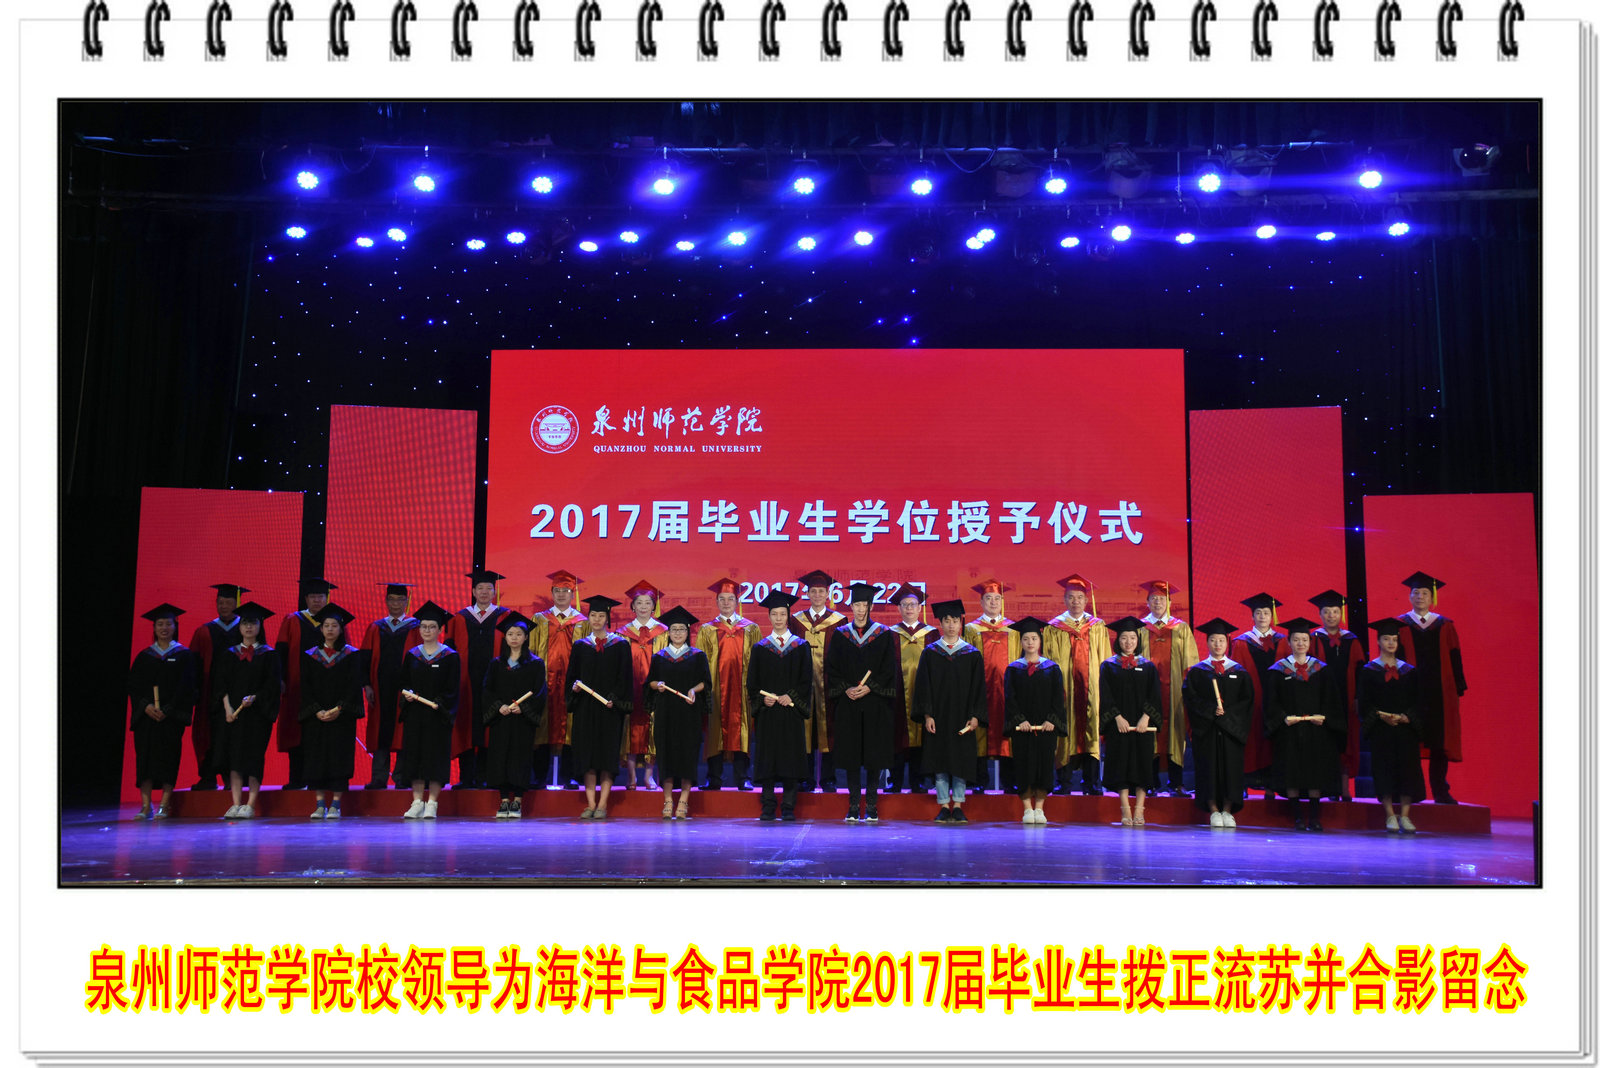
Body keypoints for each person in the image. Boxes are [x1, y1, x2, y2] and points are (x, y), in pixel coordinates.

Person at [826, 582, 899, 822]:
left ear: (870, 606)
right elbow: (832, 668)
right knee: (852, 755)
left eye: (863, 605)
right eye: (856, 604)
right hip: (849, 703)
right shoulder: (841, 635)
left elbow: (889, 669)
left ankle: (872, 805)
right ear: (851, 606)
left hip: (875, 703)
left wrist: (870, 687)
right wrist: (846, 689)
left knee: (873, 755)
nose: (859, 609)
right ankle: (854, 804)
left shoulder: (883, 634)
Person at [1394, 571, 1468, 804]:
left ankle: (1440, 791)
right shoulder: (1400, 625)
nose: (1420, 597)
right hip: (1411, 691)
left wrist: (1458, 684)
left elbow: (1455, 656)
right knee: (1410, 741)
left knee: (1439, 742)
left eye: (1425, 593)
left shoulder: (1445, 625)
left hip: (1439, 693)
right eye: (1416, 593)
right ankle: (1412, 791)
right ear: (1409, 597)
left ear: (1432, 597)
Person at [1265, 617, 1344, 831]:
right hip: (1289, 731)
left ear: (1310, 643)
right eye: (1296, 640)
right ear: (1289, 642)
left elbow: (1331, 700)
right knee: (1292, 773)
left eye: (1304, 640)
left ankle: (1315, 818)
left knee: (1314, 773)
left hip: (1316, 731)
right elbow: (1272, 702)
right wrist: (1282, 718)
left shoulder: (1321, 670)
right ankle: (1298, 818)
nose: (1300, 643)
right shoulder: (1278, 670)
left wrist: (1324, 717)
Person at [914, 599, 984, 823]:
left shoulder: (972, 654)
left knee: (961, 760)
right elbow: (924, 687)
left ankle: (959, 804)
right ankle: (944, 804)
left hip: (963, 717)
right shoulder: (931, 653)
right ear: (941, 624)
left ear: (961, 623)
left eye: (955, 620)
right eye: (947, 621)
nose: (951, 625)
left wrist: (975, 716)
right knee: (940, 760)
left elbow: (978, 688)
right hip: (939, 716)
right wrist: (927, 715)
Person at [210, 601, 280, 820]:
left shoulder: (269, 655)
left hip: (257, 716)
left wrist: (256, 698)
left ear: (260, 626)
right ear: (239, 627)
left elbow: (272, 686)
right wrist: (227, 709)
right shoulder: (229, 654)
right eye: (245, 623)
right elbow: (220, 684)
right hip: (234, 716)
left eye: (253, 623)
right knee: (234, 759)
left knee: (253, 758)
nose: (249, 627)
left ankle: (250, 804)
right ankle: (235, 803)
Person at [746, 591, 813, 821]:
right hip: (768, 713)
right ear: (769, 616)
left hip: (791, 711)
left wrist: (789, 695)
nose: (778, 618)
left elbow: (806, 680)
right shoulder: (760, 648)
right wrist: (762, 700)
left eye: (782, 614)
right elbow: (752, 683)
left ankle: (788, 807)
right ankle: (767, 806)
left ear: (788, 616)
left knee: (790, 759)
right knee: (768, 759)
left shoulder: (801, 646)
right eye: (774, 614)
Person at [127, 603, 197, 819]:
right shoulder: (144, 656)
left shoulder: (184, 655)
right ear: (154, 627)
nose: (164, 628)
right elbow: (134, 687)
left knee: (168, 758)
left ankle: (164, 805)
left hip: (171, 718)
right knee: (145, 759)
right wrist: (146, 706)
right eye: (160, 624)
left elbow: (187, 687)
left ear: (175, 626)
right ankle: (146, 805)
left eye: (168, 624)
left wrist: (169, 709)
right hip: (147, 718)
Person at [1042, 574, 1110, 795]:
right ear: (1064, 599)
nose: (1075, 601)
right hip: (1065, 689)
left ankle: (1092, 782)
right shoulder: (1054, 627)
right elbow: (1048, 661)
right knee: (1065, 730)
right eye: (1071, 597)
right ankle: (1064, 782)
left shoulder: (1097, 626)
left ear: (1086, 600)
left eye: (1080, 597)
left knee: (1092, 730)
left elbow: (1106, 659)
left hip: (1093, 690)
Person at [1183, 618, 1254, 828]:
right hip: (1208, 731)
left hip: (1231, 731)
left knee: (1231, 770)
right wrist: (1211, 711)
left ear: (1227, 643)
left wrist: (1228, 715)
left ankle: (1228, 811)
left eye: (1221, 640)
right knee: (1209, 769)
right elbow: (1191, 699)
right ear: (1207, 642)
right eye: (1213, 640)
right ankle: (1213, 810)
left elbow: (1247, 701)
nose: (1217, 644)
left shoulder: (1238, 672)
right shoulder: (1198, 672)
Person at [566, 594, 633, 819]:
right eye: (593, 615)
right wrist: (574, 689)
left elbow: (624, 678)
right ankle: (590, 803)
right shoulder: (580, 646)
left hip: (609, 709)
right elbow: (572, 677)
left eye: (601, 615)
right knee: (588, 756)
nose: (596, 619)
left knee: (606, 756)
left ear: (607, 618)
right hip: (585, 709)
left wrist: (615, 699)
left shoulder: (620, 645)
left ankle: (603, 804)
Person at [1358, 619, 1426, 832]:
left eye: (1394, 639)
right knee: (1384, 770)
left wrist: (1407, 717)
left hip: (1405, 729)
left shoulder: (1409, 671)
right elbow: (1364, 702)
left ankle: (1405, 815)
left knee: (1408, 770)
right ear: (1378, 641)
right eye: (1386, 639)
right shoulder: (1369, 670)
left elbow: (1418, 700)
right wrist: (1380, 716)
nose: (1390, 643)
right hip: (1382, 729)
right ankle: (1389, 815)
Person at [647, 606, 713, 819]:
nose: (677, 633)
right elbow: (650, 682)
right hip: (665, 713)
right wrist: (657, 685)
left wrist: (693, 690)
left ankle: (683, 800)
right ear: (668, 632)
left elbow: (706, 682)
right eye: (674, 629)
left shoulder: (697, 656)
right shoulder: (659, 657)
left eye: (682, 629)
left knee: (687, 756)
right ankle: (667, 800)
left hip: (688, 713)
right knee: (666, 755)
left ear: (688, 632)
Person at [446, 569, 510, 789]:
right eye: (480, 588)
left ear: (494, 592)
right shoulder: (460, 618)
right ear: (473, 591)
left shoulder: (504, 616)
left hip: (495, 681)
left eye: (488, 588)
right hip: (465, 681)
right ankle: (466, 777)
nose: (484, 592)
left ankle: (485, 776)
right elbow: (450, 650)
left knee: (490, 724)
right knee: (466, 724)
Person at [299, 602, 363, 819]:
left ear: (341, 629)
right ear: (320, 628)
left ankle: (336, 804)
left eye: (334, 625)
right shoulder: (310, 655)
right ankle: (319, 804)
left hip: (341, 718)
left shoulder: (351, 655)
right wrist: (316, 710)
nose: (329, 629)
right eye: (326, 625)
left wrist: (339, 709)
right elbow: (305, 686)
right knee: (316, 758)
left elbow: (353, 686)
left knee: (339, 757)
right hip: (316, 718)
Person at [273, 577, 338, 791]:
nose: (317, 600)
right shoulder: (293, 620)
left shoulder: (334, 623)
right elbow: (281, 652)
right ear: (306, 598)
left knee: (321, 734)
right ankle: (296, 778)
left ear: (326, 598)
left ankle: (318, 779)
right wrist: (281, 679)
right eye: (312, 596)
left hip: (326, 689)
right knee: (297, 732)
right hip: (296, 687)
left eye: (320, 596)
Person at [397, 601, 461, 820]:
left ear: (440, 629)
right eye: (423, 626)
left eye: (432, 627)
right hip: (415, 714)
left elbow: (453, 688)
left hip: (437, 716)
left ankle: (432, 803)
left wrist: (440, 703)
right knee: (414, 757)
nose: (427, 630)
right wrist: (406, 693)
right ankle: (417, 802)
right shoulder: (412, 655)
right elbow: (404, 682)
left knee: (435, 758)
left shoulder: (450, 656)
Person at [696, 579, 761, 791]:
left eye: (730, 599)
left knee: (742, 730)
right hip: (715, 690)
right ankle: (714, 777)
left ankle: (743, 777)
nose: (726, 603)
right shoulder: (707, 630)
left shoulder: (751, 628)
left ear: (737, 601)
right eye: (722, 599)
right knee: (715, 731)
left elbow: (758, 661)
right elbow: (700, 663)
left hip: (743, 689)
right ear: (716, 602)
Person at [482, 611, 547, 819]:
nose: (514, 638)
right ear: (505, 637)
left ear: (526, 637)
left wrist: (524, 708)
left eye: (519, 634)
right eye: (510, 634)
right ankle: (503, 800)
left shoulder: (535, 664)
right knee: (500, 756)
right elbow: (487, 690)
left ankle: (517, 800)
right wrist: (498, 706)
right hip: (502, 718)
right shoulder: (496, 664)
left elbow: (540, 692)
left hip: (522, 720)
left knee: (520, 757)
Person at [186, 582, 251, 789]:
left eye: (228, 602)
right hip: (210, 695)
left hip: (238, 693)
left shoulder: (246, 630)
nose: (223, 606)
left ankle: (234, 779)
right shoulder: (205, 631)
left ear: (237, 603)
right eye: (220, 602)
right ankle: (208, 777)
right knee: (209, 735)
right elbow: (193, 665)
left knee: (236, 736)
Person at [530, 570, 589, 790]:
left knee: (571, 726)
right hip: (545, 682)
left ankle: (569, 776)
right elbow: (531, 650)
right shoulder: (539, 619)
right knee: (542, 725)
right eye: (557, 590)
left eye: (566, 590)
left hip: (572, 684)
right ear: (551, 592)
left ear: (573, 594)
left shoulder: (583, 622)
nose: (561, 594)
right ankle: (539, 777)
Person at [1100, 616, 1162, 827]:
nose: (1128, 642)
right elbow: (1106, 695)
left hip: (1142, 726)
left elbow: (1154, 695)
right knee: (1121, 765)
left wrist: (1146, 717)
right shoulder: (1109, 666)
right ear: (1118, 640)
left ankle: (1140, 809)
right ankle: (1125, 808)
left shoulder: (1148, 666)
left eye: (1132, 638)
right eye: (1124, 638)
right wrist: (1117, 718)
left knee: (1142, 765)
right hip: (1120, 726)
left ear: (1138, 640)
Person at [1004, 617, 1065, 825]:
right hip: (1023, 729)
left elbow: (1058, 698)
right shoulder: (1014, 669)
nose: (1030, 642)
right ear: (1021, 642)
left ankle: (1039, 807)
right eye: (1026, 639)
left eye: (1034, 638)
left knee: (1044, 765)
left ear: (1040, 641)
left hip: (1046, 728)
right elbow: (1010, 698)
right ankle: (1027, 808)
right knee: (1024, 765)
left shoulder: (1052, 668)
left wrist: (1052, 720)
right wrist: (1019, 720)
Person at [358, 583, 421, 789]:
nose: (395, 604)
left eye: (400, 600)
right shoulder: (376, 627)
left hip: (407, 688)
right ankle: (379, 777)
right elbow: (365, 658)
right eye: (391, 599)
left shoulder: (415, 627)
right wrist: (366, 685)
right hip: (380, 687)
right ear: (386, 601)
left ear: (406, 602)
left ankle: (402, 776)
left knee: (404, 731)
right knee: (380, 731)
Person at [1137, 580, 1196, 798]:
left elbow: (1190, 662)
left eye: (1162, 599)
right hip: (1147, 692)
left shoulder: (1181, 628)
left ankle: (1176, 783)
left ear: (1169, 602)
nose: (1157, 602)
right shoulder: (1140, 628)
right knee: (1149, 733)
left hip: (1175, 692)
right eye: (1153, 599)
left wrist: (1189, 689)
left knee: (1175, 733)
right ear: (1147, 602)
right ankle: (1150, 783)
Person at [1307, 589, 1366, 802]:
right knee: (1326, 740)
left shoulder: (1352, 640)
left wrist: (1358, 698)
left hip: (1346, 698)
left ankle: (1344, 787)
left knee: (1346, 740)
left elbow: (1360, 672)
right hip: (1322, 699)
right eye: (1326, 612)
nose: (1331, 615)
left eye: (1335, 611)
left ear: (1341, 614)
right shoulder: (1313, 639)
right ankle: (1329, 787)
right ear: (1320, 615)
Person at [791, 570, 846, 791]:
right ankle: (805, 778)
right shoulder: (797, 621)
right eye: (813, 591)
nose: (817, 595)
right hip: (802, 685)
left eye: (821, 591)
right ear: (807, 594)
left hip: (828, 685)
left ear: (828, 594)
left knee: (828, 731)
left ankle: (828, 778)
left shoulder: (839, 621)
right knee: (804, 730)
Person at [963, 579, 1019, 794]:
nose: (993, 602)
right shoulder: (971, 629)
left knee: (1007, 734)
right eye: (988, 598)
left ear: (1002, 601)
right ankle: (979, 780)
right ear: (981, 602)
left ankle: (1009, 781)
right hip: (980, 691)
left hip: (1007, 692)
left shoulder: (1013, 629)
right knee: (979, 733)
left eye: (997, 598)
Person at [1230, 592, 1287, 799]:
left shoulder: (1283, 642)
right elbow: (1236, 674)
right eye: (1258, 613)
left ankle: (1271, 785)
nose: (1262, 616)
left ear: (1272, 616)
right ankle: (1244, 784)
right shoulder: (1241, 642)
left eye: (1266, 613)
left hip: (1274, 701)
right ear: (1252, 616)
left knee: (1272, 742)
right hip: (1250, 702)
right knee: (1249, 741)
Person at [619, 579, 669, 791]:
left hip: (654, 688)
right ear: (632, 606)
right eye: (639, 603)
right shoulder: (622, 633)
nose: (643, 607)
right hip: (630, 688)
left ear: (653, 606)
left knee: (652, 728)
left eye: (648, 603)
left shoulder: (663, 632)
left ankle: (649, 777)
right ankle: (631, 776)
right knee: (629, 728)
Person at [888, 583, 937, 793]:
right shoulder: (890, 634)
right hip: (897, 694)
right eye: (905, 605)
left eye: (913, 604)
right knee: (896, 735)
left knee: (922, 733)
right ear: (899, 608)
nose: (909, 608)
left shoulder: (932, 634)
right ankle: (895, 780)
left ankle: (920, 780)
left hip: (924, 693)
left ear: (920, 608)